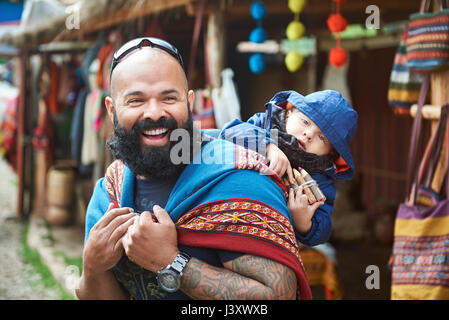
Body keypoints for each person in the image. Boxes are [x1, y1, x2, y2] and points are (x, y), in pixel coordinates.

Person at [75, 37, 312, 300]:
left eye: (168, 98)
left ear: (189, 104)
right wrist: (93, 268)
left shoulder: (240, 182)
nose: (154, 113)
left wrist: (170, 261)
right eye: (136, 101)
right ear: (112, 110)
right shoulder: (110, 193)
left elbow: (279, 296)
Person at [218, 90, 358, 246]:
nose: (308, 134)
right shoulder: (265, 125)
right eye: (305, 122)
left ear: (331, 153)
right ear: (289, 112)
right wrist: (268, 146)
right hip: (227, 208)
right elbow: (229, 132)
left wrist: (304, 223)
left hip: (267, 236)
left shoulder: (320, 177)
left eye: (322, 137)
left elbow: (324, 228)